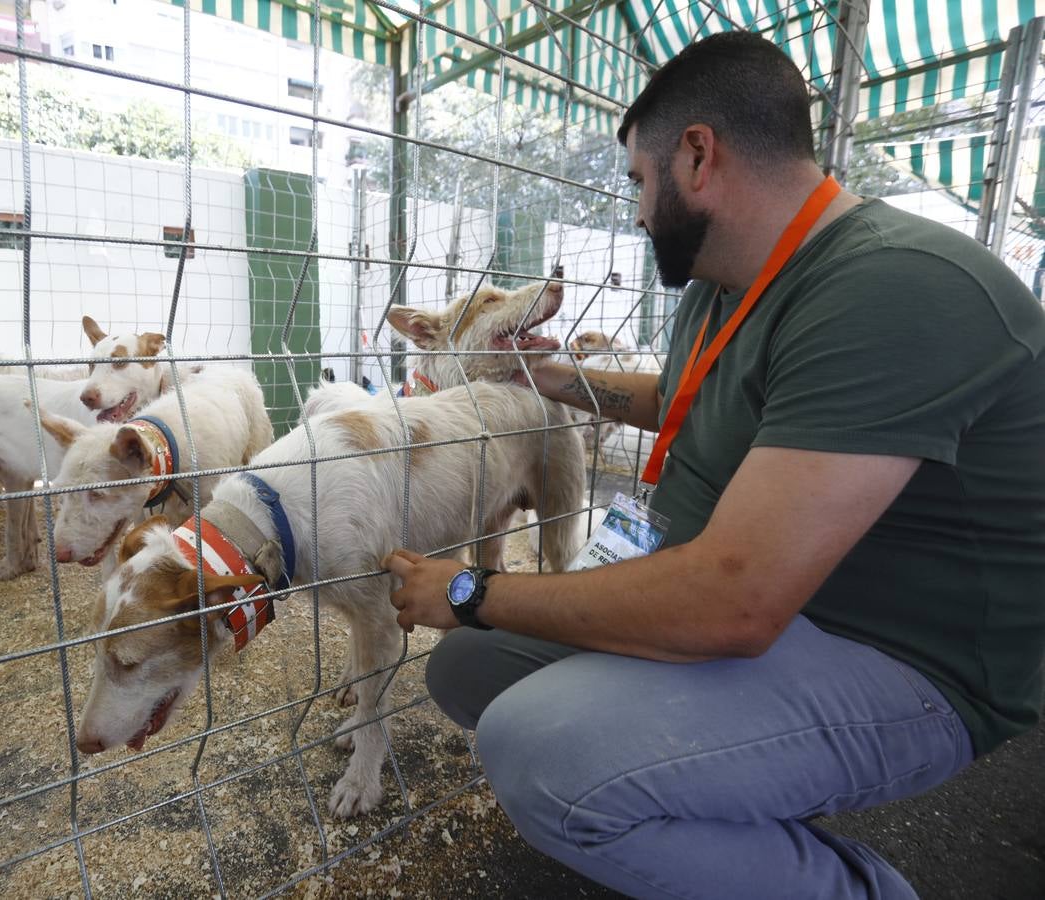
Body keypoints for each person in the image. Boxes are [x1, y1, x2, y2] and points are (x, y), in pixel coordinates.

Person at [385, 30, 1045, 900]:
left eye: (637, 181)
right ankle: (735, 801)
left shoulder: (894, 288)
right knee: (472, 669)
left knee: (536, 753)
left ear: (697, 156)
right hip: (779, 613)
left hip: (897, 654)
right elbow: (692, 398)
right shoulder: (725, 280)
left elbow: (731, 603)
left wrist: (470, 590)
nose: (634, 210)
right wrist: (553, 376)